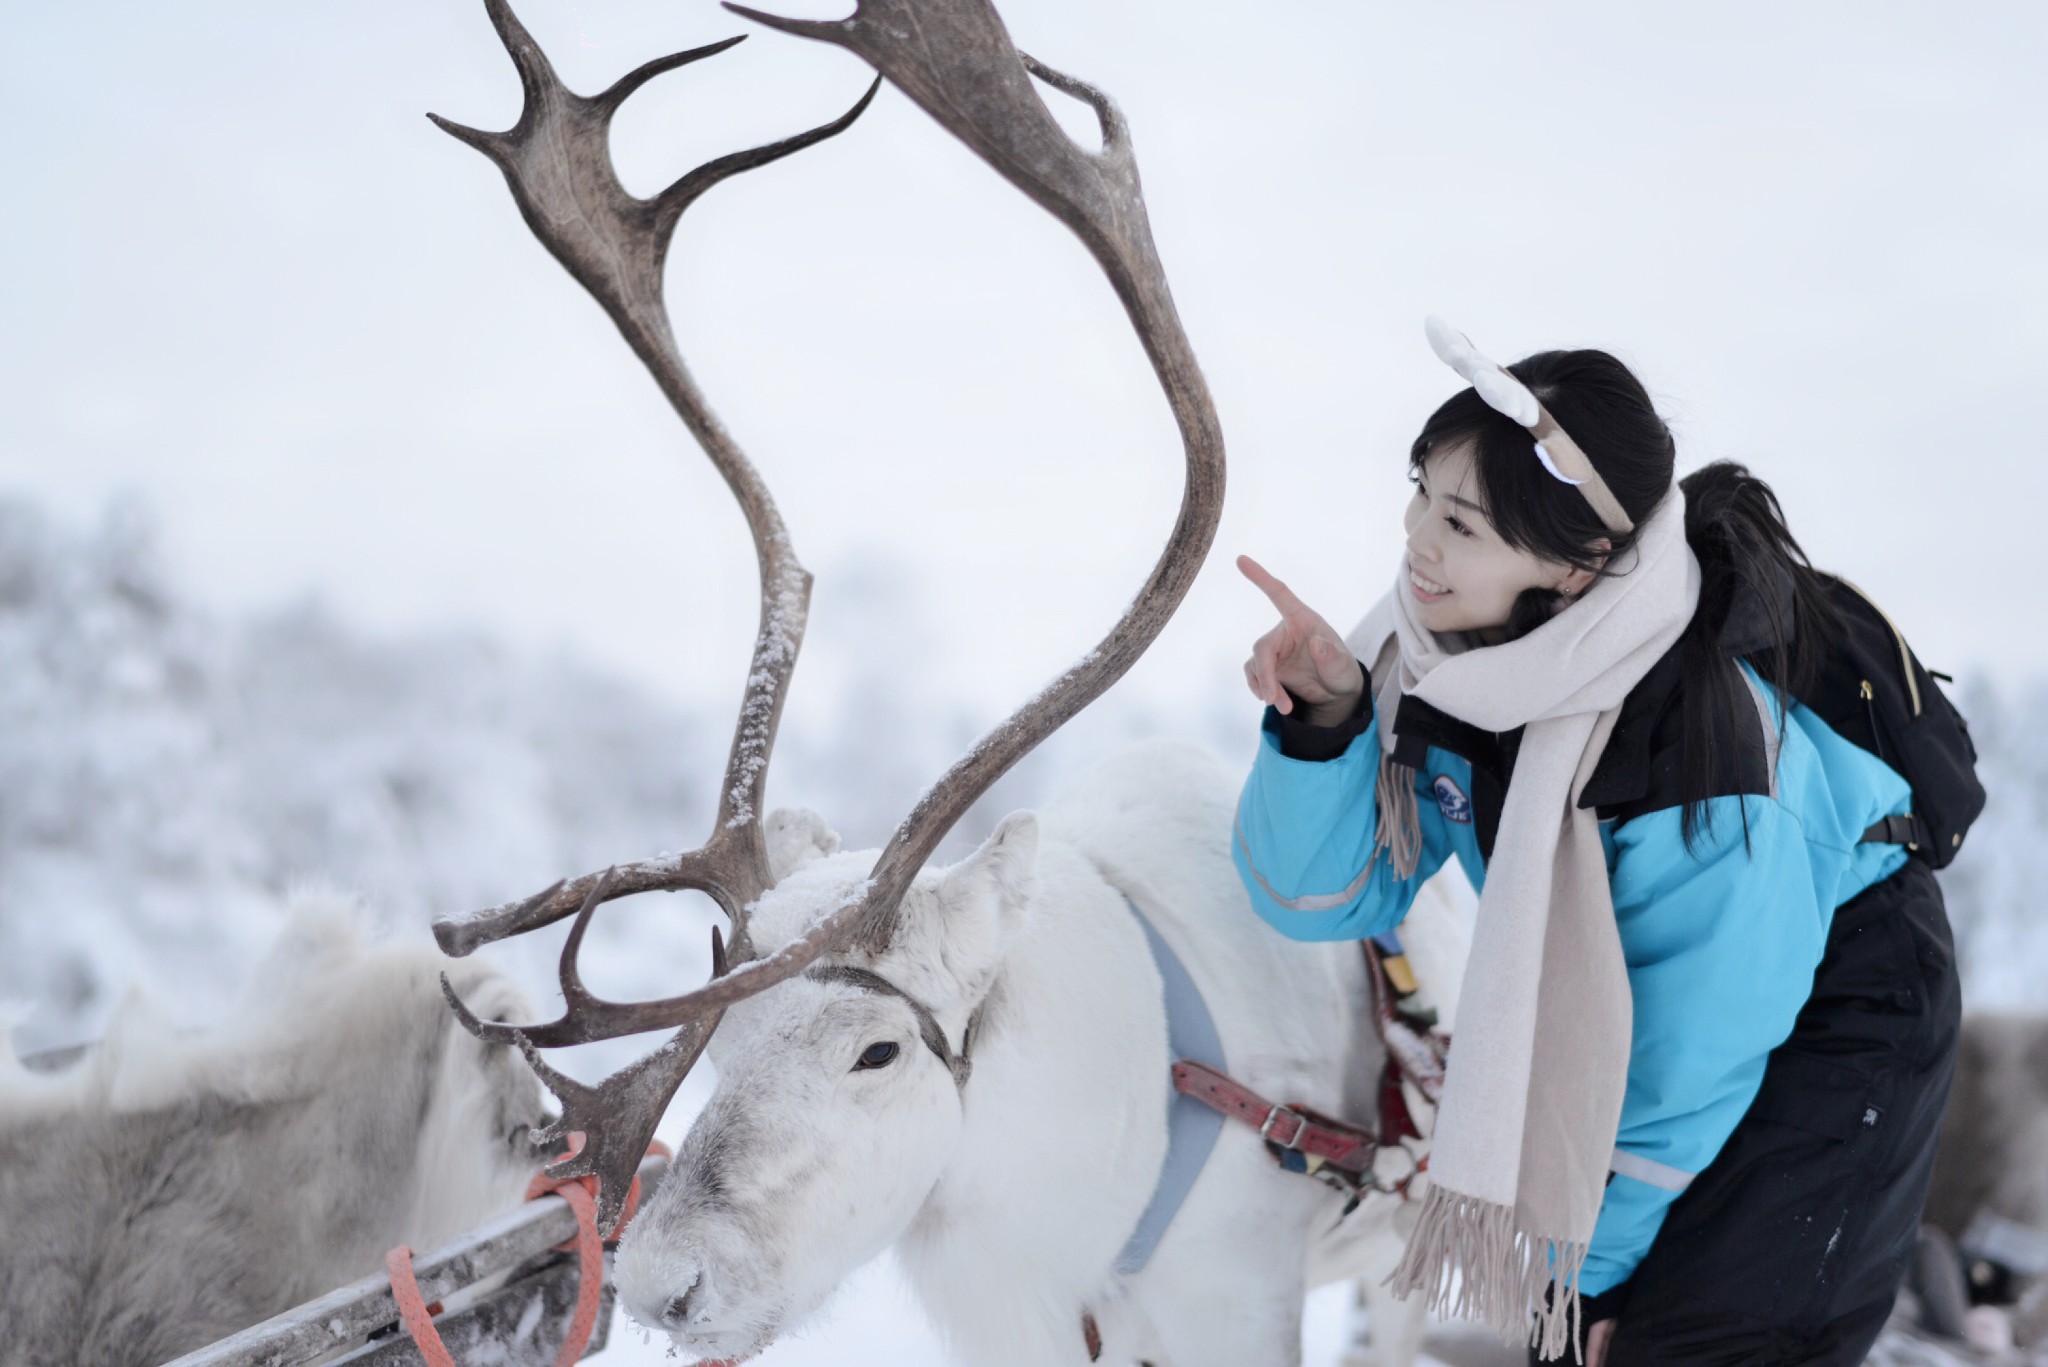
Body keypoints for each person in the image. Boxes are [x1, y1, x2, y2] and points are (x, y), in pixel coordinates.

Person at [1232, 321, 1960, 1365]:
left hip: (1842, 995)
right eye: (1420, 491)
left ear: (1573, 570)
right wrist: (1323, 727)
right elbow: (1323, 896)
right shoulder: (1445, 663)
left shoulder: (1700, 748)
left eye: (1460, 521)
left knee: (1704, 1342)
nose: (1415, 539)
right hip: (1647, 1015)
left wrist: (1583, 1281)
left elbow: (1687, 1055)